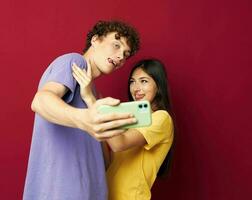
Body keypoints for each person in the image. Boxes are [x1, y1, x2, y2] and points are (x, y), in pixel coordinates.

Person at [23, 20, 140, 200]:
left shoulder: (95, 95)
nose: (120, 57)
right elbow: (40, 101)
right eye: (116, 46)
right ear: (95, 40)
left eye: (125, 54)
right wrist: (83, 118)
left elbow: (104, 158)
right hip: (63, 191)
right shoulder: (75, 62)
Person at [72, 59, 174, 200]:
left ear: (158, 85)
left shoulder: (162, 118)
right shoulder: (128, 118)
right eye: (132, 81)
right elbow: (110, 163)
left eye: (144, 81)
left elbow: (118, 144)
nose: (136, 88)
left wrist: (90, 99)